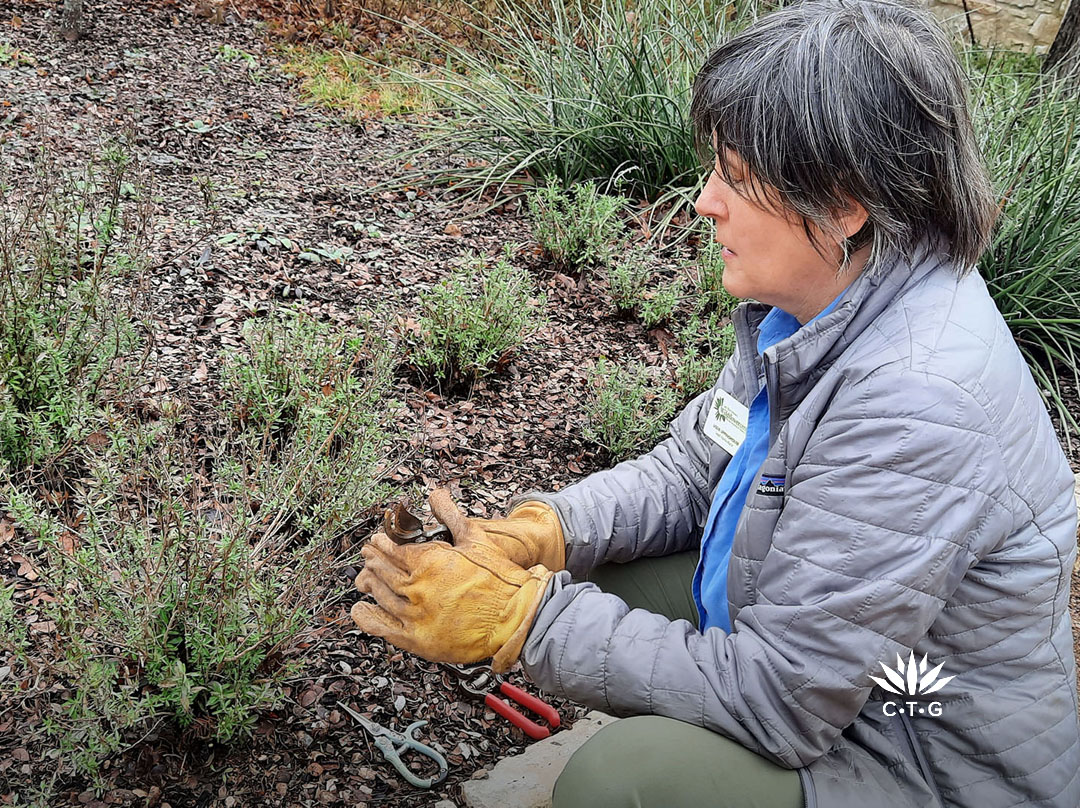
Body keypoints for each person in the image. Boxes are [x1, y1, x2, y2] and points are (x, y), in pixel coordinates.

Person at [351, 1, 1080, 805]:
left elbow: (782, 700)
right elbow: (701, 466)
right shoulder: (832, 297)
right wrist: (546, 533)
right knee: (602, 569)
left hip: (921, 742)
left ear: (844, 203)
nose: (704, 201)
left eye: (736, 177)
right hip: (849, 679)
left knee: (619, 782)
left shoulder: (918, 398)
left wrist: (522, 622)